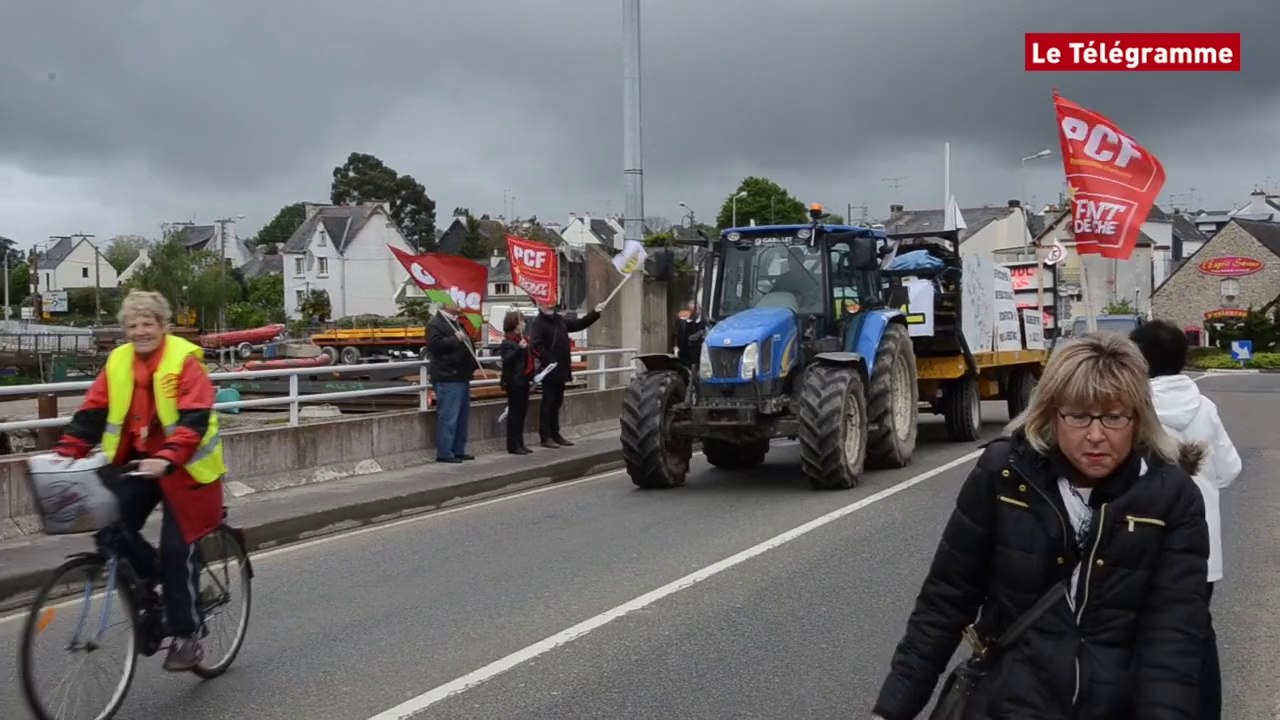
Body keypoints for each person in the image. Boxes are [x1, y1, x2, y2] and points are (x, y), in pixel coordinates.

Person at [872, 332, 1210, 720]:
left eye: (1114, 417)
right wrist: (892, 709)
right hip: (1008, 705)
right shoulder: (1004, 476)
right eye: (1079, 416)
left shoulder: (1171, 497)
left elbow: (1174, 636)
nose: (1096, 435)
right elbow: (945, 601)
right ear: (1051, 413)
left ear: (1138, 418)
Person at [52, 290, 226, 672]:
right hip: (140, 463)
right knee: (108, 527)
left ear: (163, 326)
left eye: (147, 324)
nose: (139, 331)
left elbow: (195, 419)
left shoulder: (184, 361)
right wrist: (66, 452)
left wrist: (168, 456)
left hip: (189, 471)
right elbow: (93, 411)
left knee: (177, 549)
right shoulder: (118, 362)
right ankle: (156, 579)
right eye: (132, 325)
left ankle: (186, 635)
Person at [1131, 319, 1241, 720]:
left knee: (1138, 637)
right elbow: (1230, 469)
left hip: (1143, 546)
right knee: (1196, 635)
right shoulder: (1205, 408)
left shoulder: (1129, 410)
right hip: (1201, 550)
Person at [528, 300, 604, 448]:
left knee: (557, 402)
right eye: (547, 304)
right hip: (549, 370)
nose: (550, 306)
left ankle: (555, 433)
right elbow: (536, 345)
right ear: (540, 306)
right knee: (548, 402)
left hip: (561, 368)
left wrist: (595, 312)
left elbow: (578, 324)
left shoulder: (559, 319)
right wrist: (550, 360)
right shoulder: (538, 323)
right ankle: (546, 436)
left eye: (551, 303)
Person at [426, 300, 478, 463]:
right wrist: (455, 339)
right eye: (453, 301)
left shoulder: (456, 322)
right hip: (448, 376)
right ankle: (445, 452)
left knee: (462, 416)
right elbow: (434, 346)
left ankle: (458, 449)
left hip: (461, 375)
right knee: (449, 416)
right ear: (443, 305)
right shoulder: (436, 324)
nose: (458, 304)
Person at [499, 310, 535, 456]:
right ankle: (513, 445)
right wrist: (519, 350)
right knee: (515, 414)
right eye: (522, 322)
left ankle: (520, 442)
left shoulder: (522, 340)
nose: (524, 324)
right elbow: (507, 360)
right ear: (515, 324)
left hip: (523, 380)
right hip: (514, 381)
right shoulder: (508, 342)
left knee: (522, 413)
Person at [671, 301, 706, 372]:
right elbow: (675, 334)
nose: (693, 312)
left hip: (698, 351)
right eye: (690, 310)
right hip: (684, 351)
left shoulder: (704, 321)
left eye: (695, 310)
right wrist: (675, 347)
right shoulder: (682, 321)